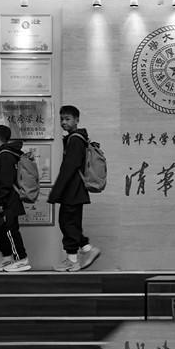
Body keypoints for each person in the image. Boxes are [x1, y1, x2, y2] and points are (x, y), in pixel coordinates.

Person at [49, 105, 100, 272]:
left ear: (77, 120)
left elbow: (69, 167)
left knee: (67, 223)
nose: (64, 122)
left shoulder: (76, 139)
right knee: (70, 224)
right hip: (75, 189)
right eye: (62, 119)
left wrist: (56, 191)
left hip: (73, 189)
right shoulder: (75, 138)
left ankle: (83, 251)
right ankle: (75, 256)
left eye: (67, 119)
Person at [0, 125, 31, 272]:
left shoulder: (5, 155)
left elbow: (5, 182)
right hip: (8, 200)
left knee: (10, 231)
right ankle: (7, 258)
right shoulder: (9, 153)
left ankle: (21, 259)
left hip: (8, 201)